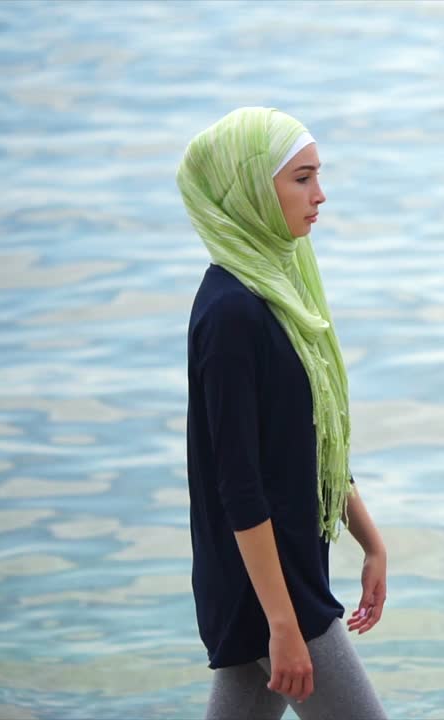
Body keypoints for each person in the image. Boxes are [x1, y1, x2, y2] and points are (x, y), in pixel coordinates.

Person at [178, 107, 389, 720]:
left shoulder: (280, 287)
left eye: (317, 176)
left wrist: (370, 543)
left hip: (276, 577)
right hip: (272, 590)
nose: (319, 195)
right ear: (250, 188)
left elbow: (309, 442)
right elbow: (238, 483)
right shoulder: (231, 313)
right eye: (301, 178)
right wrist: (284, 624)